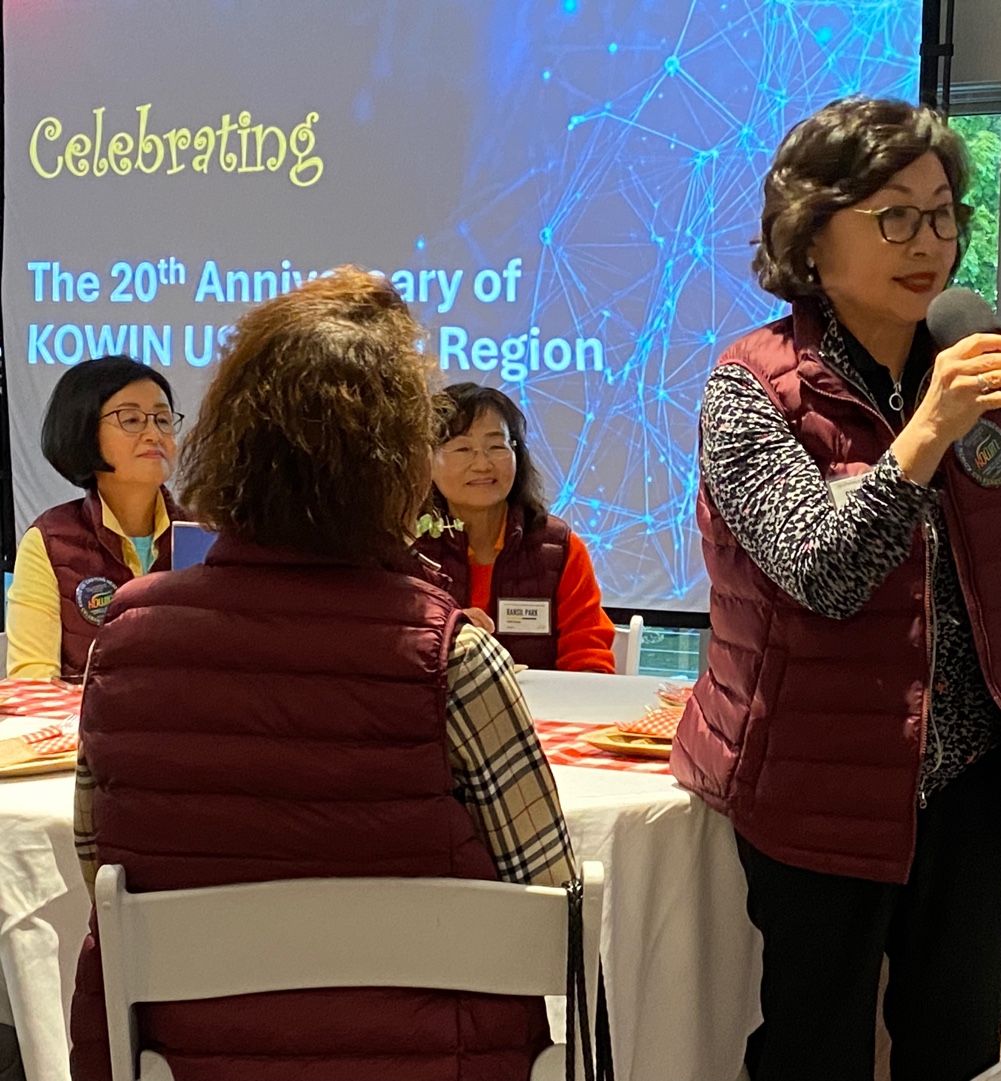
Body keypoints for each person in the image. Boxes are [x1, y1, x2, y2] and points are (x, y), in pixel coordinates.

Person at [69, 269, 574, 1081]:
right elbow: (551, 898)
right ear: (399, 466)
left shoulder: (125, 641)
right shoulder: (452, 656)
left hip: (194, 1061)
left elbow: (101, 866)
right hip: (434, 1061)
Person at [670, 96, 1001, 1081]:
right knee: (814, 1050)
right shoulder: (752, 389)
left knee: (956, 1049)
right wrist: (925, 434)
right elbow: (824, 571)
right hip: (815, 780)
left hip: (972, 779)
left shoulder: (973, 377)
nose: (929, 241)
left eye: (943, 214)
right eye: (895, 215)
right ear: (811, 233)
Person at [414, 382, 616, 672]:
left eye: (496, 446)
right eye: (463, 448)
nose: (482, 464)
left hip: (540, 701)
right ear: (428, 460)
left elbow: (588, 658)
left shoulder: (560, 549)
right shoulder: (408, 547)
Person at [6, 355, 183, 680]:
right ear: (85, 431)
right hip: (83, 714)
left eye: (162, 419)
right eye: (131, 420)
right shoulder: (50, 541)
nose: (154, 434)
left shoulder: (201, 534)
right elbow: (33, 681)